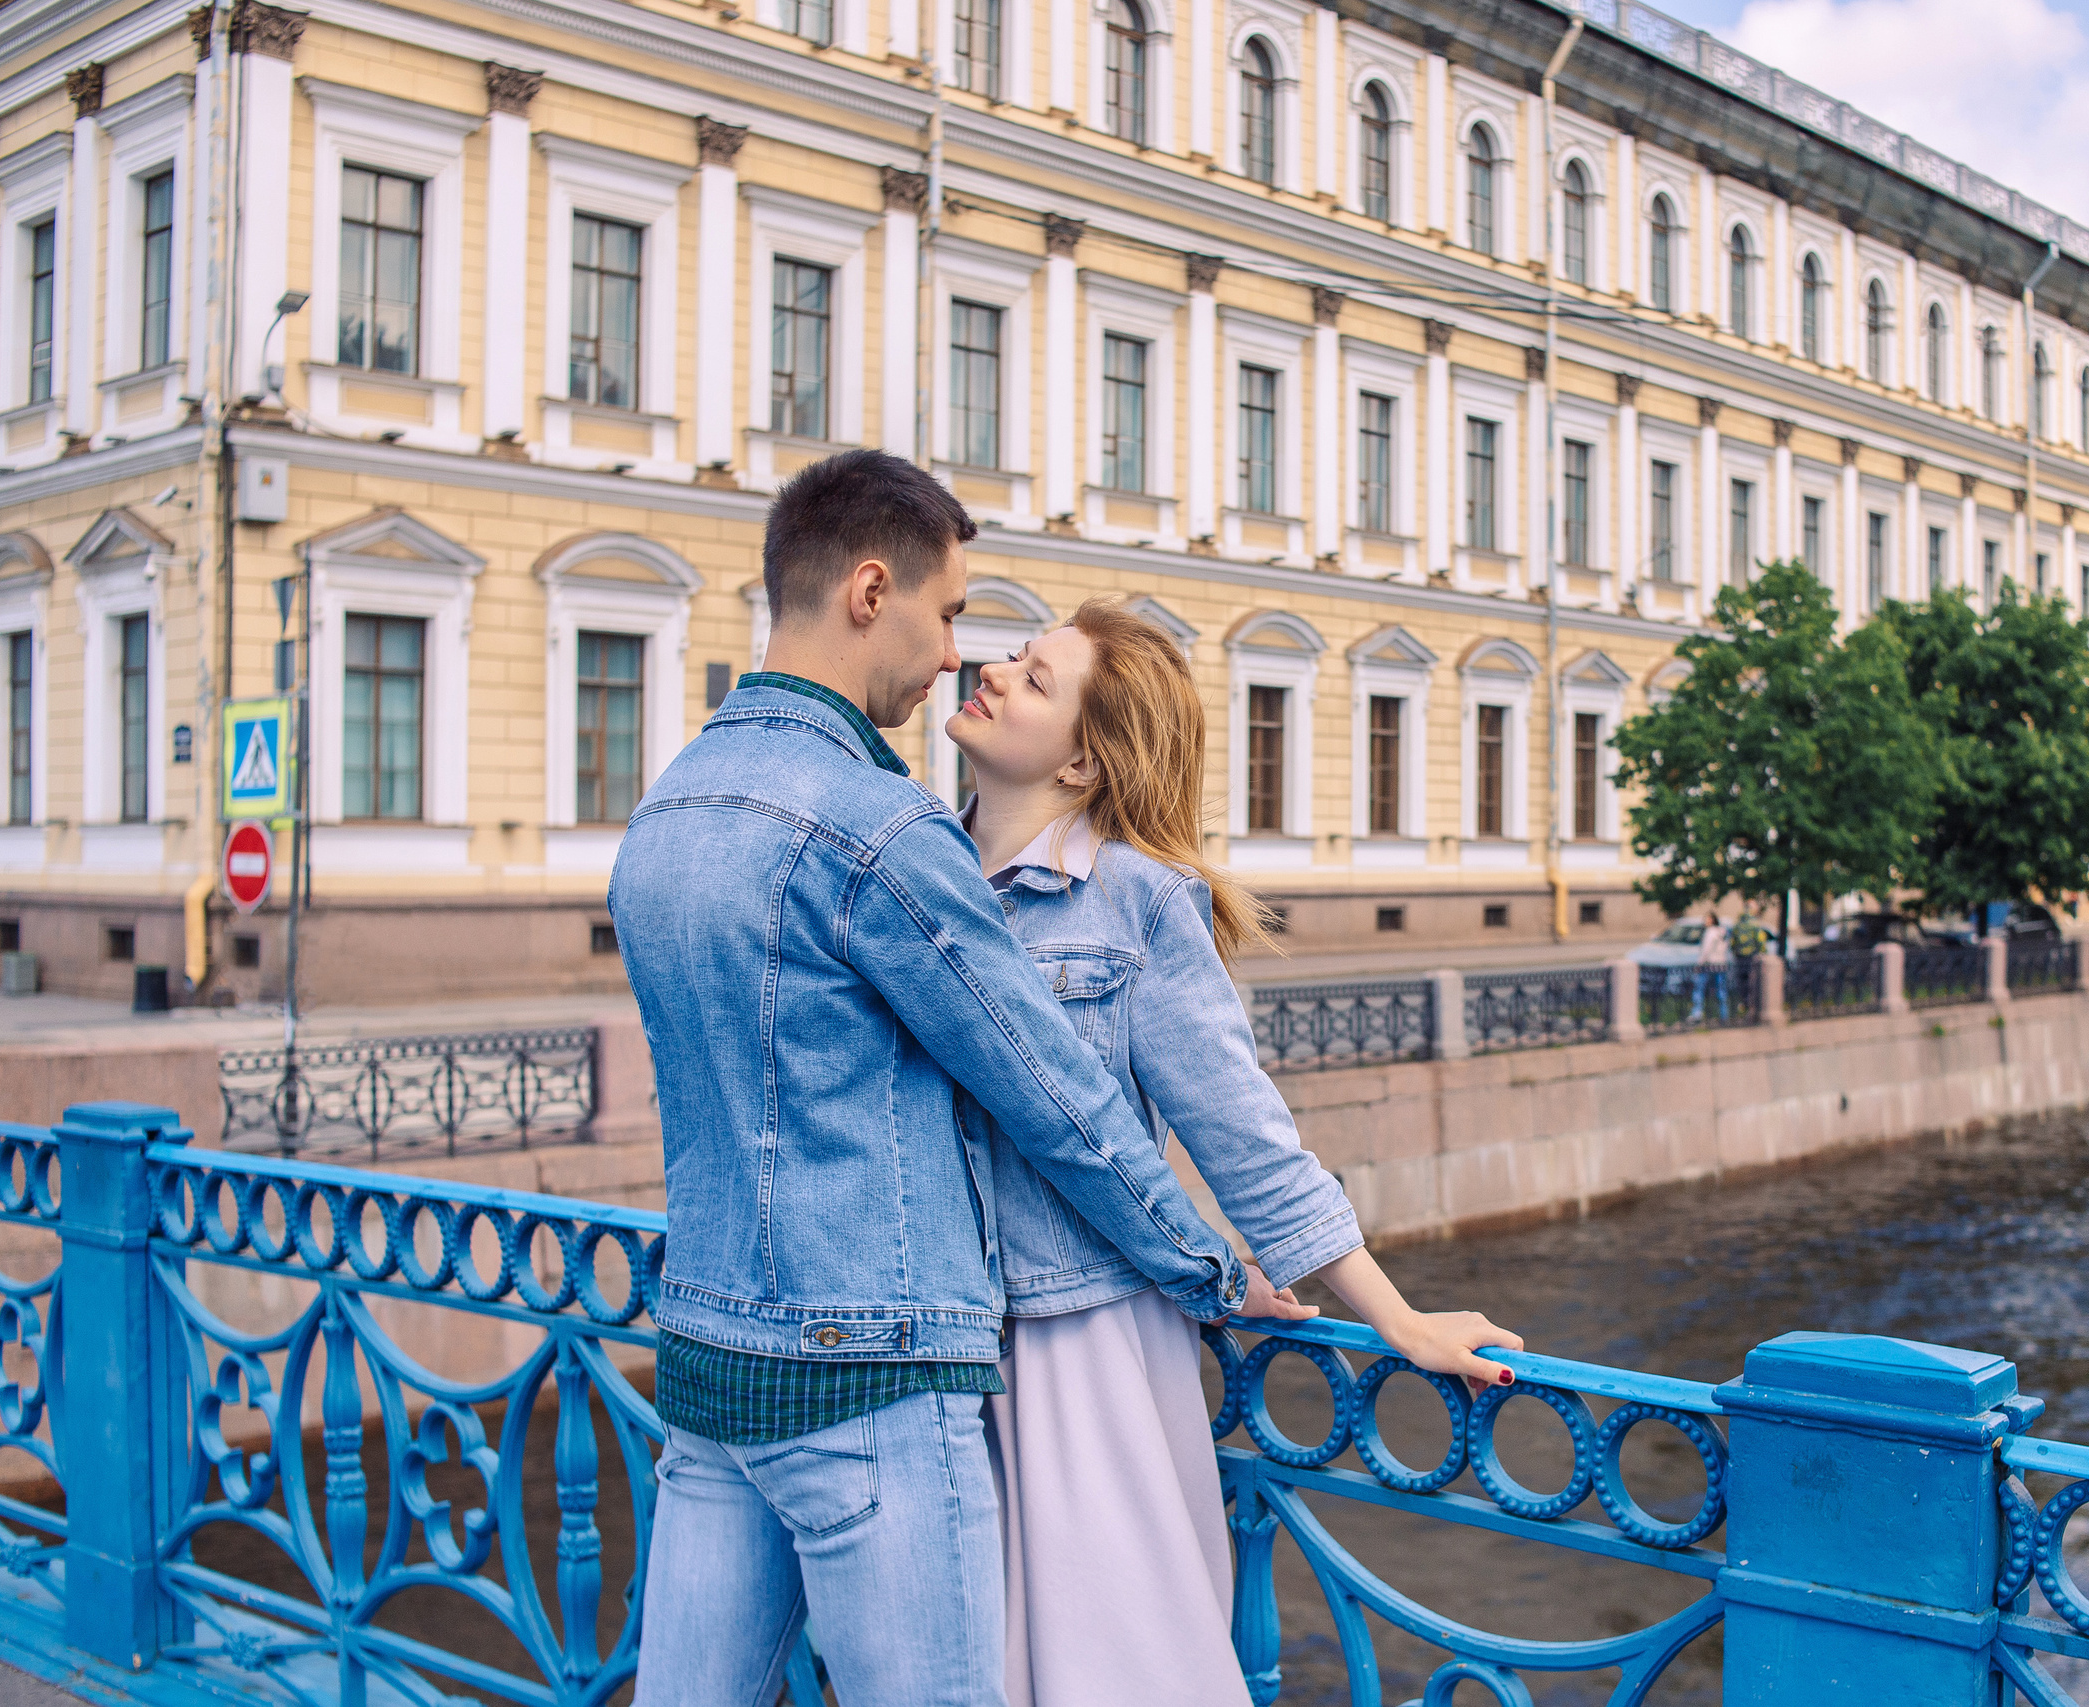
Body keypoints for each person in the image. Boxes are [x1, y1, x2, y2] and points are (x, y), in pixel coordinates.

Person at [612, 452, 1291, 1706]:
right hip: (871, 1374)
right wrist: (1204, 1269)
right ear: (872, 591)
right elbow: (1057, 1100)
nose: (951, 656)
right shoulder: (879, 826)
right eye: (948, 613)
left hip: (705, 1360)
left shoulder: (670, 809)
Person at [947, 598, 1522, 1706]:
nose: (997, 671)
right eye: (1014, 656)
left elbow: (1245, 1139)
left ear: (1080, 763)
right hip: (933, 1331)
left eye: (1036, 675)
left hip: (1083, 1341)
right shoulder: (921, 870)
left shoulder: (1138, 902)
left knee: (1108, 1664)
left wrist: (1392, 1317)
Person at [1691, 912, 1732, 1022]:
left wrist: (1699, 964)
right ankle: (1724, 1015)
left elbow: (1706, 950)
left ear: (1712, 920)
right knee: (1721, 990)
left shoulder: (1710, 932)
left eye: (1707, 919)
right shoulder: (1723, 932)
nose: (1705, 921)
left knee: (1699, 989)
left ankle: (1697, 1014)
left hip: (1709, 964)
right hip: (1721, 964)